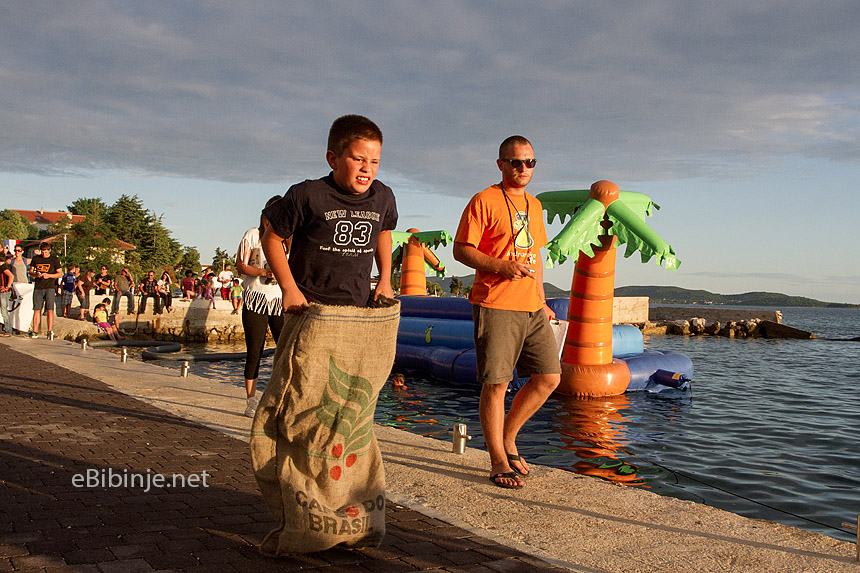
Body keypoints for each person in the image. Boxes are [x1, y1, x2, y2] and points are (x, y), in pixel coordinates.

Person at [452, 135, 561, 490]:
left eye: (530, 162)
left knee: (549, 378)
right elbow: (461, 249)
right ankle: (498, 459)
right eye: (517, 162)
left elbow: (536, 257)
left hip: (531, 306)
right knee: (497, 383)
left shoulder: (534, 205)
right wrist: (500, 266)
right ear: (501, 164)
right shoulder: (484, 200)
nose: (524, 168)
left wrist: (542, 299)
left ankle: (509, 437)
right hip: (496, 303)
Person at [261, 114, 397, 313]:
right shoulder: (307, 194)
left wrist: (385, 279)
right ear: (333, 159)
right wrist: (289, 288)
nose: (367, 168)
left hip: (359, 308)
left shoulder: (383, 197)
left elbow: (383, 232)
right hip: (308, 307)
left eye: (374, 161)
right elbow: (271, 239)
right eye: (358, 159)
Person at [235, 196, 287, 417]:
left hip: (279, 301)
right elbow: (241, 266)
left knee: (285, 350)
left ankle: (281, 397)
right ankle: (251, 400)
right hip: (256, 299)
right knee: (254, 351)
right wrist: (264, 272)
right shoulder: (253, 235)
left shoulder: (287, 239)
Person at [28, 242, 63, 338]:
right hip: (38, 287)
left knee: (50, 309)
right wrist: (36, 275)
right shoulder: (36, 259)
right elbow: (31, 271)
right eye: (42, 252)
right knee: (37, 309)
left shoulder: (54, 259)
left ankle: (49, 331)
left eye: (46, 252)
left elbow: (59, 273)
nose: (44, 254)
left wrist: (49, 275)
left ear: (49, 250)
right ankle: (35, 331)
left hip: (50, 287)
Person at [0, 254, 13, 336]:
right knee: (4, 311)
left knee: (4, 311)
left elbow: (11, 276)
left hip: (3, 292)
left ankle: (8, 331)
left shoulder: (3, 267)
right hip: (3, 291)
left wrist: (7, 287)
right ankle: (8, 330)